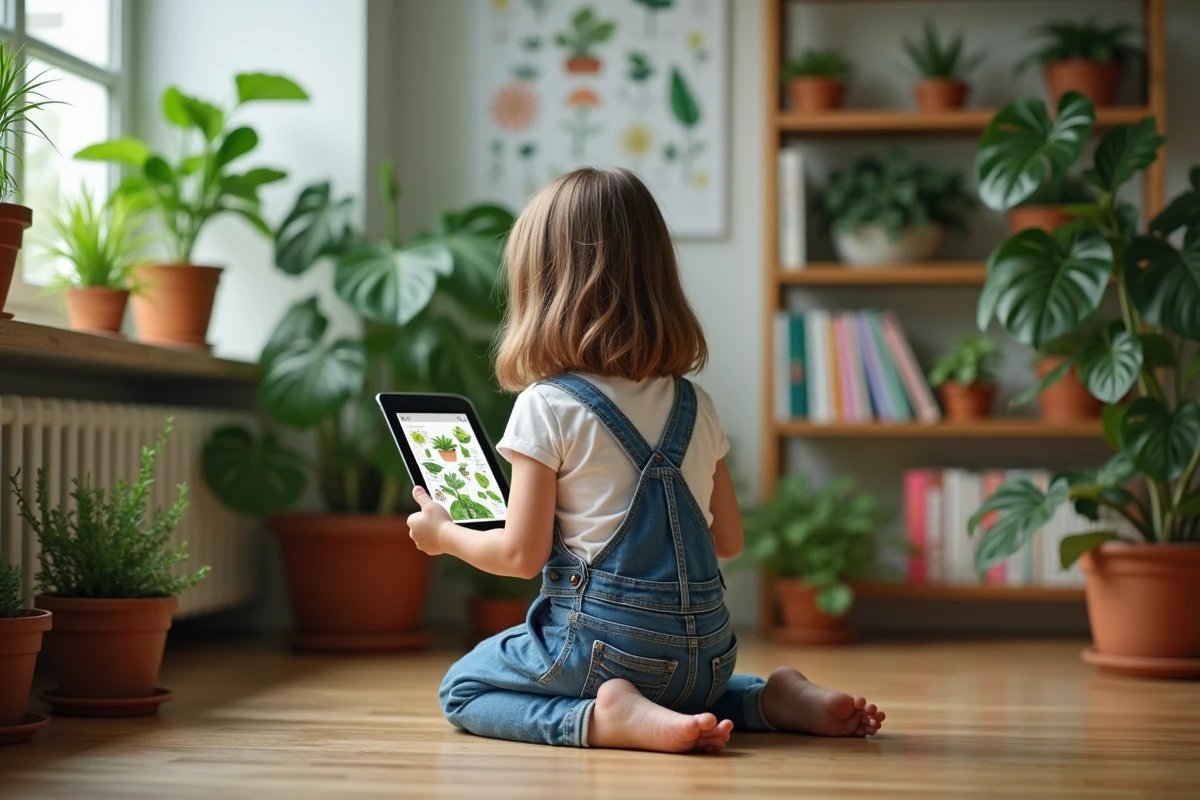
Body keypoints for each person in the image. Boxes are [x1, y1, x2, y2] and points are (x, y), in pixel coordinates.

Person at [407, 167, 885, 753]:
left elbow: (519, 553)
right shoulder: (696, 404)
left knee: (463, 686)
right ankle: (768, 697)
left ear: (539, 288)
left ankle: (606, 719)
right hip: (708, 658)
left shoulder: (547, 406)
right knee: (677, 679)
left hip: (603, 652)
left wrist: (443, 534)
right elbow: (728, 540)